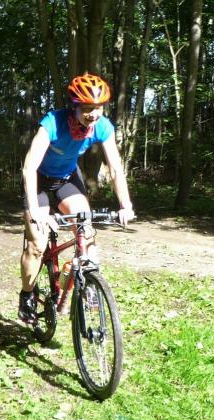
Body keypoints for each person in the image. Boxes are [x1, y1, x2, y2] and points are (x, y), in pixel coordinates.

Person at [18, 72, 135, 323]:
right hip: (38, 180)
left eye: (98, 108)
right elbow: (29, 168)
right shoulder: (52, 122)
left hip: (67, 179)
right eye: (87, 108)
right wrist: (37, 213)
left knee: (86, 230)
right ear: (74, 107)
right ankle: (27, 295)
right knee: (37, 244)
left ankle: (87, 284)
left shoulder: (102, 127)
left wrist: (125, 205)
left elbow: (115, 169)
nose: (93, 114)